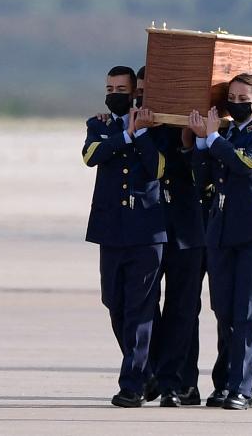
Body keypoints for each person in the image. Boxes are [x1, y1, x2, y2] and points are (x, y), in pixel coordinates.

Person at [189, 73, 252, 410]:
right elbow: (203, 177)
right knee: (224, 310)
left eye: (243, 96)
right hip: (222, 229)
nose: (236, 101)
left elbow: (246, 164)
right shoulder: (223, 134)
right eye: (231, 95)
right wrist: (201, 142)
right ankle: (229, 380)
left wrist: (212, 139)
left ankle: (242, 387)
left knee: (249, 312)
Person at [82, 66, 167, 407]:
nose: (114, 93)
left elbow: (159, 168)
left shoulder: (158, 126)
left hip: (146, 231)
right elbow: (91, 156)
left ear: (135, 92)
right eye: (109, 87)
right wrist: (128, 135)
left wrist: (143, 133)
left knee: (139, 309)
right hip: (110, 229)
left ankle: (132, 382)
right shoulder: (99, 125)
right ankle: (149, 372)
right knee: (114, 303)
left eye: (121, 88)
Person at [137, 67, 208, 408]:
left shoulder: (186, 125)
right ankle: (155, 372)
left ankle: (178, 382)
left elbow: (182, 170)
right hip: (147, 229)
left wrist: (187, 141)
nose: (142, 98)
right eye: (139, 92)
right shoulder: (134, 124)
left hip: (187, 228)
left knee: (183, 309)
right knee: (139, 305)